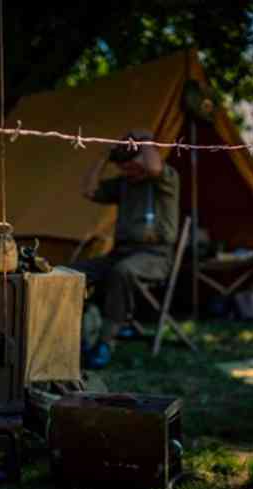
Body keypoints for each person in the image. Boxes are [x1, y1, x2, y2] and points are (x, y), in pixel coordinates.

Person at [71, 130, 180, 346]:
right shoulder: (125, 184)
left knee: (122, 272)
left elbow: (154, 167)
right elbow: (89, 190)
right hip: (121, 253)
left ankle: (106, 341)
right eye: (123, 166)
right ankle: (73, 331)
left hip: (155, 256)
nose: (128, 170)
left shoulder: (165, 179)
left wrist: (144, 141)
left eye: (132, 164)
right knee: (73, 272)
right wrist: (104, 157)